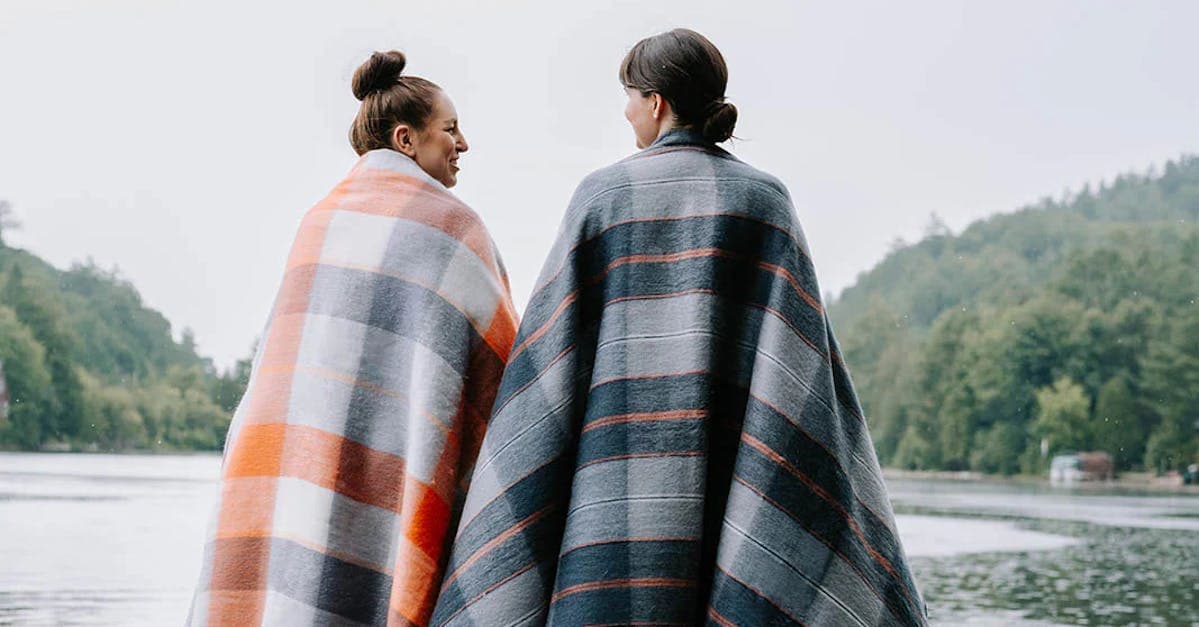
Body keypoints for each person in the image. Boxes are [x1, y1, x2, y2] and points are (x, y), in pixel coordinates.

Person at [431, 29, 926, 626]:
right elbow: (802, 388)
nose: (626, 111)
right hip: (736, 494)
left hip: (609, 501)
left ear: (656, 102)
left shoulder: (603, 196)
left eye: (629, 97)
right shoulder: (765, 200)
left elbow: (546, 380)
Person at [189, 50, 518, 626]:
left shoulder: (319, 221)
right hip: (391, 478)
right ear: (406, 139)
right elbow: (508, 385)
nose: (463, 143)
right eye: (450, 129)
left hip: (301, 481)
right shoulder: (453, 227)